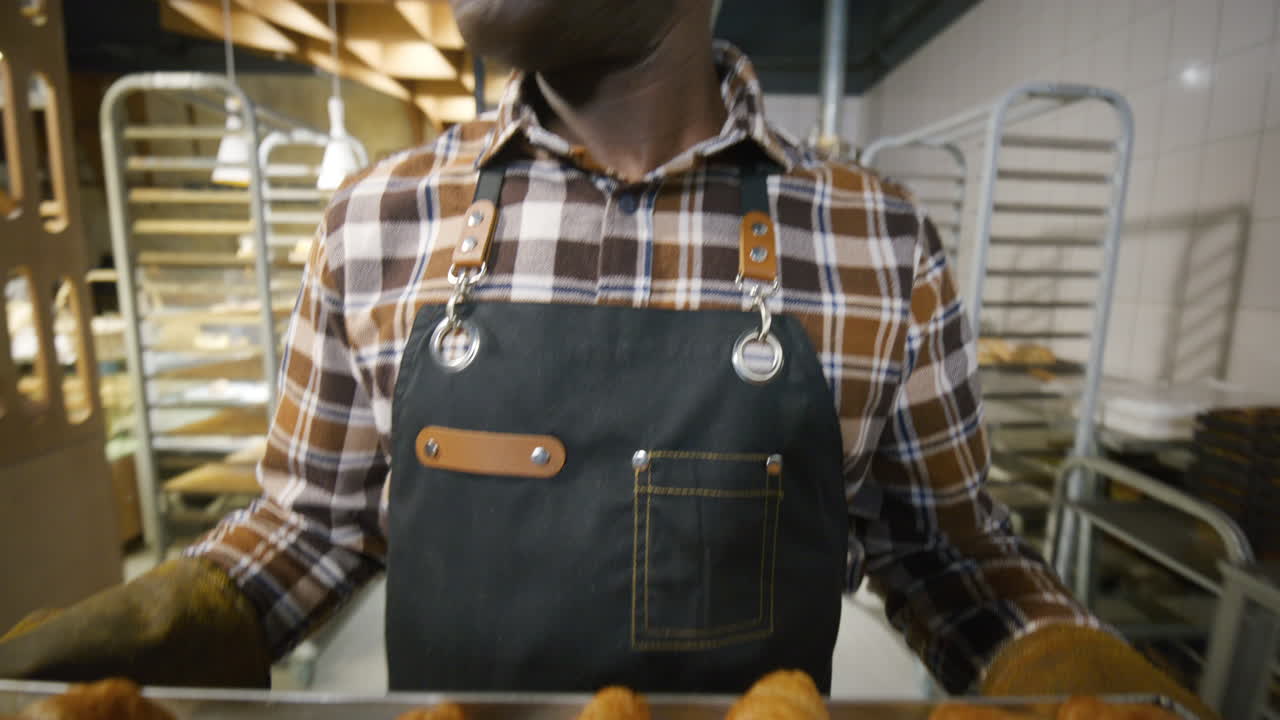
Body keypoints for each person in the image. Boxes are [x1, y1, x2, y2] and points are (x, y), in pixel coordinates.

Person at [0, 0, 1211, 713]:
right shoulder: (379, 222)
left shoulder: (873, 239)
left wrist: (1083, 682)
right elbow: (313, 527)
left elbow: (940, 551)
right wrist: (159, 626)